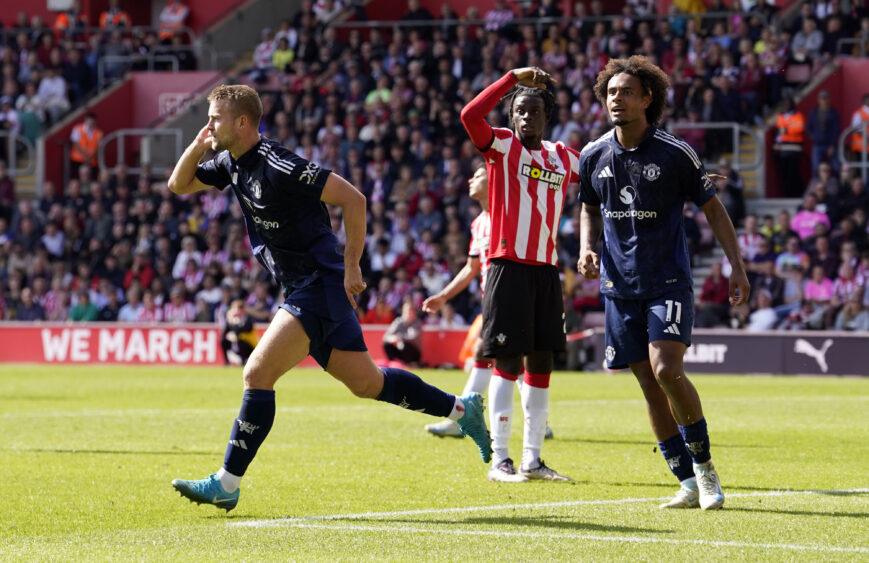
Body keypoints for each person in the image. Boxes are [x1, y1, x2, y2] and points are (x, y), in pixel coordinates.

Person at [167, 84, 491, 512]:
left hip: (318, 283)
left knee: (257, 373)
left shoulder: (279, 164)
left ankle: (227, 482)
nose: (209, 124)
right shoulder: (230, 164)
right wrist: (198, 142)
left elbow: (353, 200)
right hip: (304, 286)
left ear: (242, 122)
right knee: (367, 383)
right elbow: (178, 184)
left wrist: (352, 265)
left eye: (216, 118)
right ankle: (460, 408)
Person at [577, 56, 750, 510]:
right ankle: (686, 482)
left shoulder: (675, 152)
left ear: (647, 99)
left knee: (667, 371)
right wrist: (586, 247)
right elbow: (589, 207)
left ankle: (706, 471)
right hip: (619, 286)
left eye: (627, 92)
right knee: (648, 385)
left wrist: (737, 265)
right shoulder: (593, 154)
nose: (617, 99)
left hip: (667, 280)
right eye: (612, 92)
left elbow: (713, 208)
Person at [461, 67, 577, 483]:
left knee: (541, 364)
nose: (526, 117)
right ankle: (500, 460)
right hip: (507, 267)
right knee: (506, 362)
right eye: (520, 111)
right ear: (512, 117)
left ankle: (532, 459)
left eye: (534, 111)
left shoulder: (563, 157)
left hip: (546, 271)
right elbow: (470, 116)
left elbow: (608, 171)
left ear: (548, 117)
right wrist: (511, 79)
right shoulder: (502, 147)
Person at [421, 165, 555, 443]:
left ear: (492, 182)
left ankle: (461, 417)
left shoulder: (507, 217)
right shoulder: (478, 222)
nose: (471, 180)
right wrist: (444, 296)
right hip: (491, 300)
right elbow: (471, 268)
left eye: (478, 176)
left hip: (510, 298)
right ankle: (538, 421)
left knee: (488, 352)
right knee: (506, 360)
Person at [806, 90, 841, 177]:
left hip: (831, 145)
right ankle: (815, 189)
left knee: (836, 168)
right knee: (815, 168)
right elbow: (808, 127)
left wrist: (832, 145)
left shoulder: (834, 113)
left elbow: (836, 130)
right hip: (818, 145)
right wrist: (814, 136)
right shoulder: (814, 112)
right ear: (819, 100)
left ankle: (838, 189)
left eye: (826, 99)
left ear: (829, 100)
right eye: (822, 99)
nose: (824, 101)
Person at [382, 298, 423, 365]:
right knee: (387, 344)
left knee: (405, 344)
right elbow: (386, 336)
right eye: (406, 312)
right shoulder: (398, 321)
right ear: (403, 312)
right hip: (400, 349)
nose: (408, 314)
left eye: (410, 312)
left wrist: (399, 338)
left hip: (414, 353)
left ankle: (409, 364)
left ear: (414, 313)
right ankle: (393, 363)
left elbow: (413, 337)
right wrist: (393, 338)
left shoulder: (417, 323)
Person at [222, 298, 259, 366]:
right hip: (237, 346)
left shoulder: (247, 318)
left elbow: (244, 329)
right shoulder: (233, 320)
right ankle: (227, 362)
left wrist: (232, 323)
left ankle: (243, 361)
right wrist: (229, 321)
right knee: (224, 341)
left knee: (240, 341)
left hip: (251, 346)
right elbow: (224, 333)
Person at [70, 113, 103, 179]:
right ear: (86, 120)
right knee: (76, 178)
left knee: (92, 179)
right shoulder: (78, 128)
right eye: (89, 120)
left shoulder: (98, 132)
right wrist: (85, 156)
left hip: (91, 161)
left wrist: (90, 158)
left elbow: (99, 147)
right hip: (78, 159)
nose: (91, 122)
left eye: (92, 121)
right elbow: (75, 143)